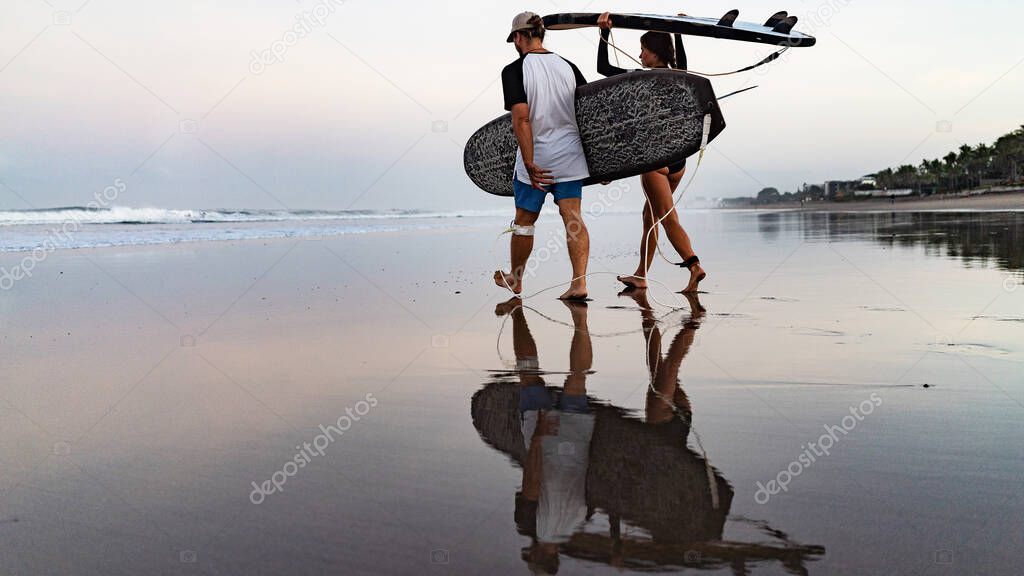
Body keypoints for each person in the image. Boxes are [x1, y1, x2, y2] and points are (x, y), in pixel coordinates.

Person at [596, 12, 707, 293]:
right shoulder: (677, 77)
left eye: (643, 49)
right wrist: (678, 31)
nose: (639, 54)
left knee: (667, 218)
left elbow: (603, 67)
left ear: (654, 53)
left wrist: (604, 32)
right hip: (679, 160)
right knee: (651, 218)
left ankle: (694, 266)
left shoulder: (639, 80)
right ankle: (641, 274)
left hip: (656, 161)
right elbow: (682, 63)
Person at [494, 12, 591, 300]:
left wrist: (528, 160)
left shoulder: (514, 70)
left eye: (514, 38)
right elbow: (588, 113)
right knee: (573, 217)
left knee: (524, 221)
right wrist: (601, 162)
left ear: (519, 37)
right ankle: (579, 283)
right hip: (571, 156)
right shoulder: (568, 66)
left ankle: (517, 278)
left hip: (537, 157)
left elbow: (521, 119)